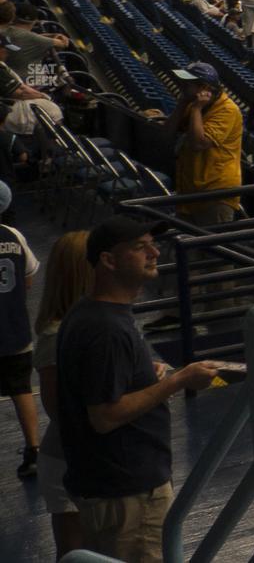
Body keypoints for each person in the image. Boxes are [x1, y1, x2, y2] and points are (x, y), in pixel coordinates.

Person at [60, 218, 221, 563]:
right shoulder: (106, 328)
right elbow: (105, 415)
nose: (154, 252)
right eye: (139, 247)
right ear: (108, 260)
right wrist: (176, 381)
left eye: (152, 243)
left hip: (113, 485)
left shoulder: (92, 313)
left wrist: (147, 375)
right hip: (127, 494)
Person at [34, 230, 92, 555]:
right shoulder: (57, 336)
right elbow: (59, 410)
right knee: (75, 554)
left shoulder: (84, 325)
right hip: (68, 461)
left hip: (86, 459)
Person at [172, 63, 244, 226]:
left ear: (204, 88)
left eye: (187, 83)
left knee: (212, 248)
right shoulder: (192, 104)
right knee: (188, 247)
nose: (181, 86)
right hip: (190, 188)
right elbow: (166, 133)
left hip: (216, 192)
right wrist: (183, 103)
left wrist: (196, 109)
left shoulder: (228, 110)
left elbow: (198, 144)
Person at [1, 187, 35, 479]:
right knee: (21, 389)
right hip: (16, 330)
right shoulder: (14, 235)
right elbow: (29, 277)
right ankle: (33, 449)